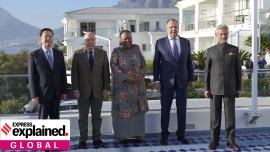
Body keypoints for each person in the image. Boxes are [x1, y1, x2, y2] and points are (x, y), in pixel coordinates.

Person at [153, 19, 195, 145]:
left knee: (182, 109)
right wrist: (156, 80)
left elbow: (189, 62)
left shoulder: (185, 42)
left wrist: (191, 78)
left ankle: (181, 134)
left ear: (178, 28)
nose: (173, 29)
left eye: (175, 27)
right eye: (171, 27)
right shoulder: (160, 43)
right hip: (166, 82)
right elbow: (156, 63)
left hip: (182, 81)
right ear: (167, 29)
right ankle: (164, 135)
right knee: (165, 109)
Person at [204, 24, 242, 151]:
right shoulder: (211, 50)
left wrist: (238, 87)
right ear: (216, 35)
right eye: (221, 34)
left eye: (225, 33)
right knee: (215, 117)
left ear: (228, 34)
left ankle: (231, 142)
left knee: (230, 117)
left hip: (230, 89)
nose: (223, 36)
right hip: (214, 89)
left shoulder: (234, 49)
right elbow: (207, 71)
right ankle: (214, 141)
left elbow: (238, 70)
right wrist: (206, 88)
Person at [71, 32, 110, 148]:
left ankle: (96, 139)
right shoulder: (77, 54)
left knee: (97, 117)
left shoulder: (102, 54)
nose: (90, 42)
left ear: (95, 41)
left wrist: (106, 88)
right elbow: (74, 74)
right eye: (88, 40)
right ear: (84, 41)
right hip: (82, 91)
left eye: (92, 39)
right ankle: (82, 140)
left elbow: (106, 73)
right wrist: (75, 89)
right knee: (82, 117)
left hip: (98, 90)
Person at [110, 30, 149, 144]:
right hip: (123, 88)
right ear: (120, 40)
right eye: (125, 38)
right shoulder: (116, 51)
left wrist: (141, 74)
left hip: (138, 87)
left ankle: (138, 134)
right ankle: (122, 136)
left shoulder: (136, 48)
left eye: (129, 38)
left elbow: (143, 63)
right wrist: (126, 77)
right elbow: (113, 66)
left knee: (138, 111)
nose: (127, 40)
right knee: (123, 111)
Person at [28, 28, 67, 119]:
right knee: (42, 122)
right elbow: (31, 77)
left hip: (56, 94)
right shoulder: (34, 55)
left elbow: (62, 74)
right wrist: (34, 95)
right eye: (46, 36)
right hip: (42, 96)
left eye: (50, 36)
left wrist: (64, 91)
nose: (48, 39)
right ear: (40, 39)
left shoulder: (59, 54)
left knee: (56, 122)